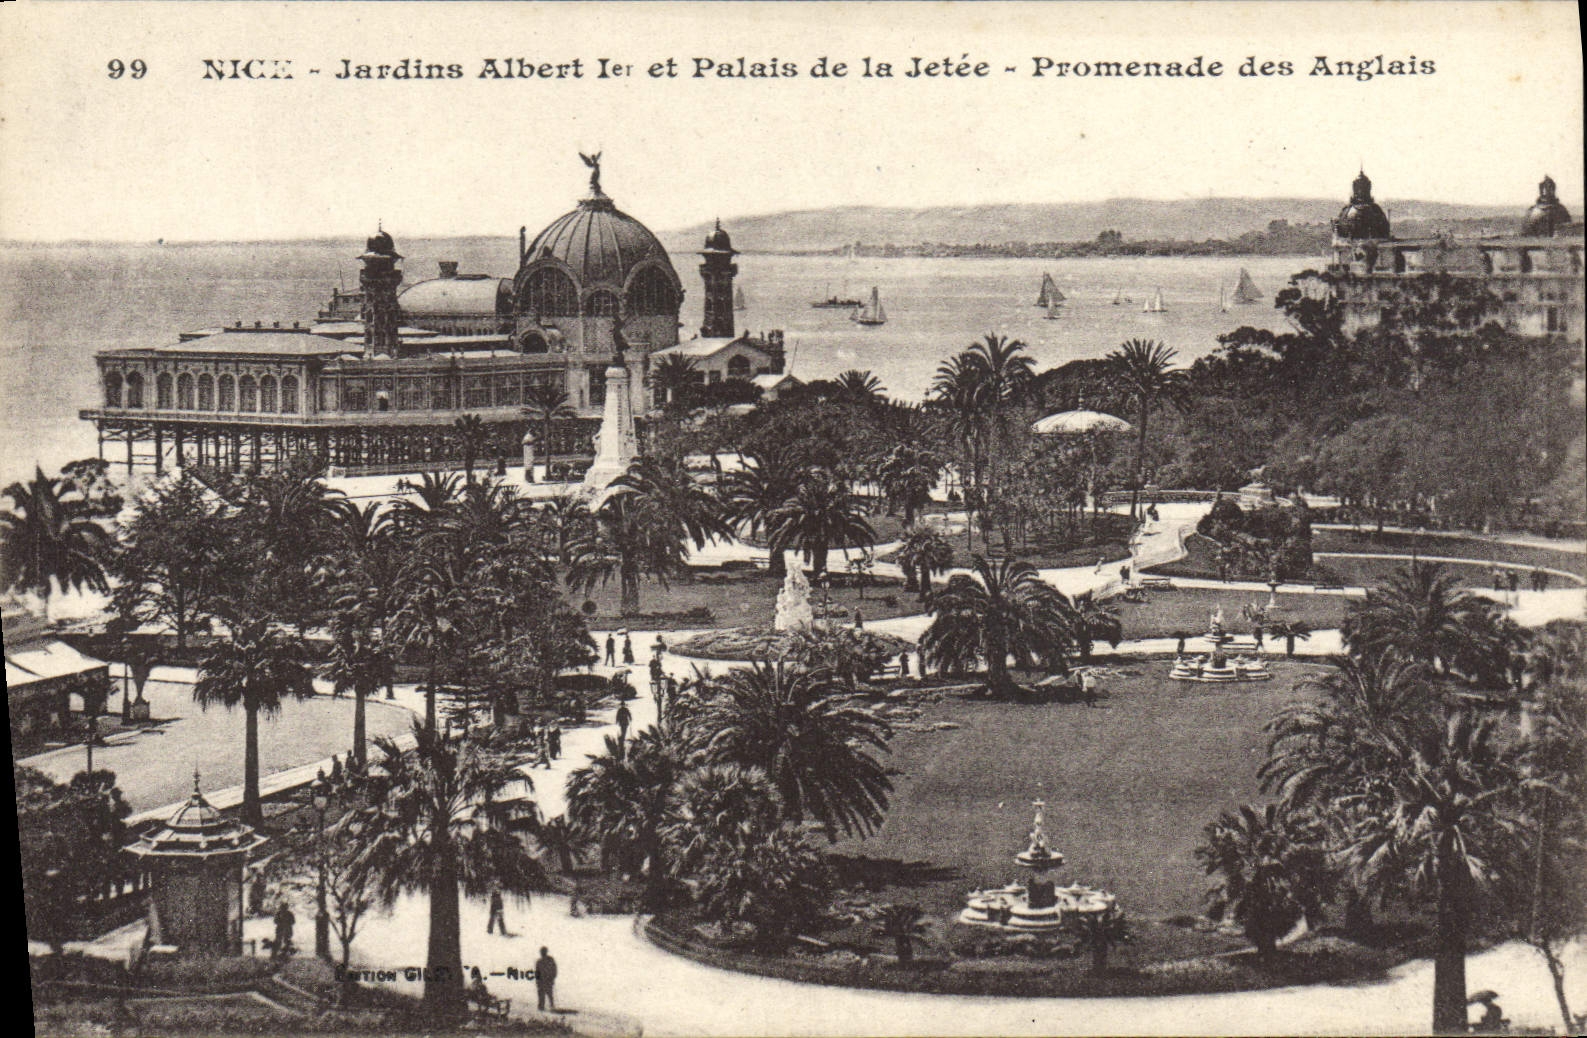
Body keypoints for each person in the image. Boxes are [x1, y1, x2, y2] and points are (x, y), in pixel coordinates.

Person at [534, 947, 558, 1012]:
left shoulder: (550, 960)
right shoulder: (539, 961)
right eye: (542, 952)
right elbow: (537, 972)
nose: (542, 953)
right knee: (542, 994)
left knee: (549, 994)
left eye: (543, 952)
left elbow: (554, 969)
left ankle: (551, 1006)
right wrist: (537, 981)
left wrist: (552, 977)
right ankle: (542, 1007)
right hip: (542, 981)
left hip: (548, 980)